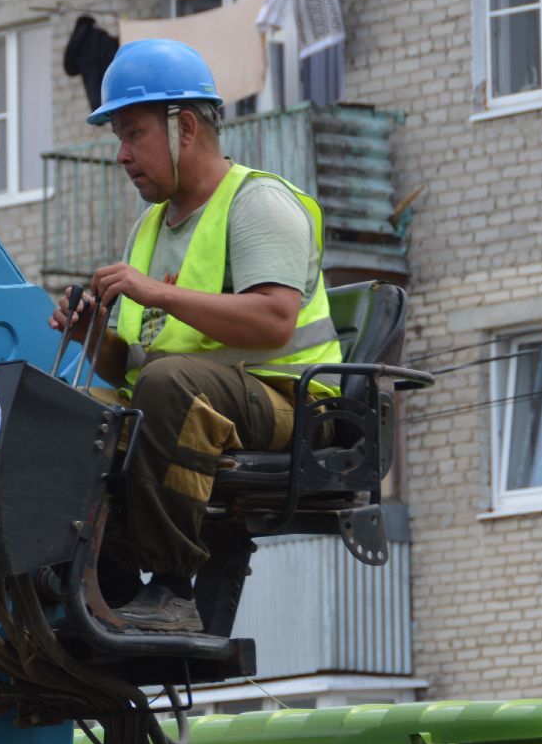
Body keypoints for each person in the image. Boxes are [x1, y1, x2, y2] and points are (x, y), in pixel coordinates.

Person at [48, 38, 342, 632]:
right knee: (64, 410)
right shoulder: (151, 227)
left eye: (133, 135)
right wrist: (90, 336)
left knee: (171, 385)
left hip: (293, 403)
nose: (123, 155)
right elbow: (132, 368)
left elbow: (273, 320)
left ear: (183, 128)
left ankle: (174, 589)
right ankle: (103, 580)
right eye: (119, 140)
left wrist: (156, 292)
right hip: (195, 396)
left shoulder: (257, 203)